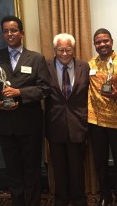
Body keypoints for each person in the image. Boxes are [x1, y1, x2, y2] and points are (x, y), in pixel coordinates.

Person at [0, 15, 49, 206]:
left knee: (31, 170)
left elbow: (44, 89)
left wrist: (19, 92)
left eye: (13, 30)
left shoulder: (37, 58)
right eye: (5, 31)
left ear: (22, 32)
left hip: (30, 125)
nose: (9, 34)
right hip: (5, 125)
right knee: (12, 170)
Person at [88, 28, 117, 206]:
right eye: (98, 42)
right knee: (100, 162)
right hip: (96, 120)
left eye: (105, 41)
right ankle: (105, 195)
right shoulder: (90, 64)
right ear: (95, 45)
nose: (102, 44)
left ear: (112, 42)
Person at [45, 33, 90, 206]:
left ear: (74, 49)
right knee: (59, 167)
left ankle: (79, 198)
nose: (64, 53)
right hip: (55, 124)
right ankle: (61, 199)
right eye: (60, 49)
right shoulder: (45, 65)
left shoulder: (84, 67)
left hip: (78, 124)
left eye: (68, 49)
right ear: (54, 50)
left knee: (77, 167)